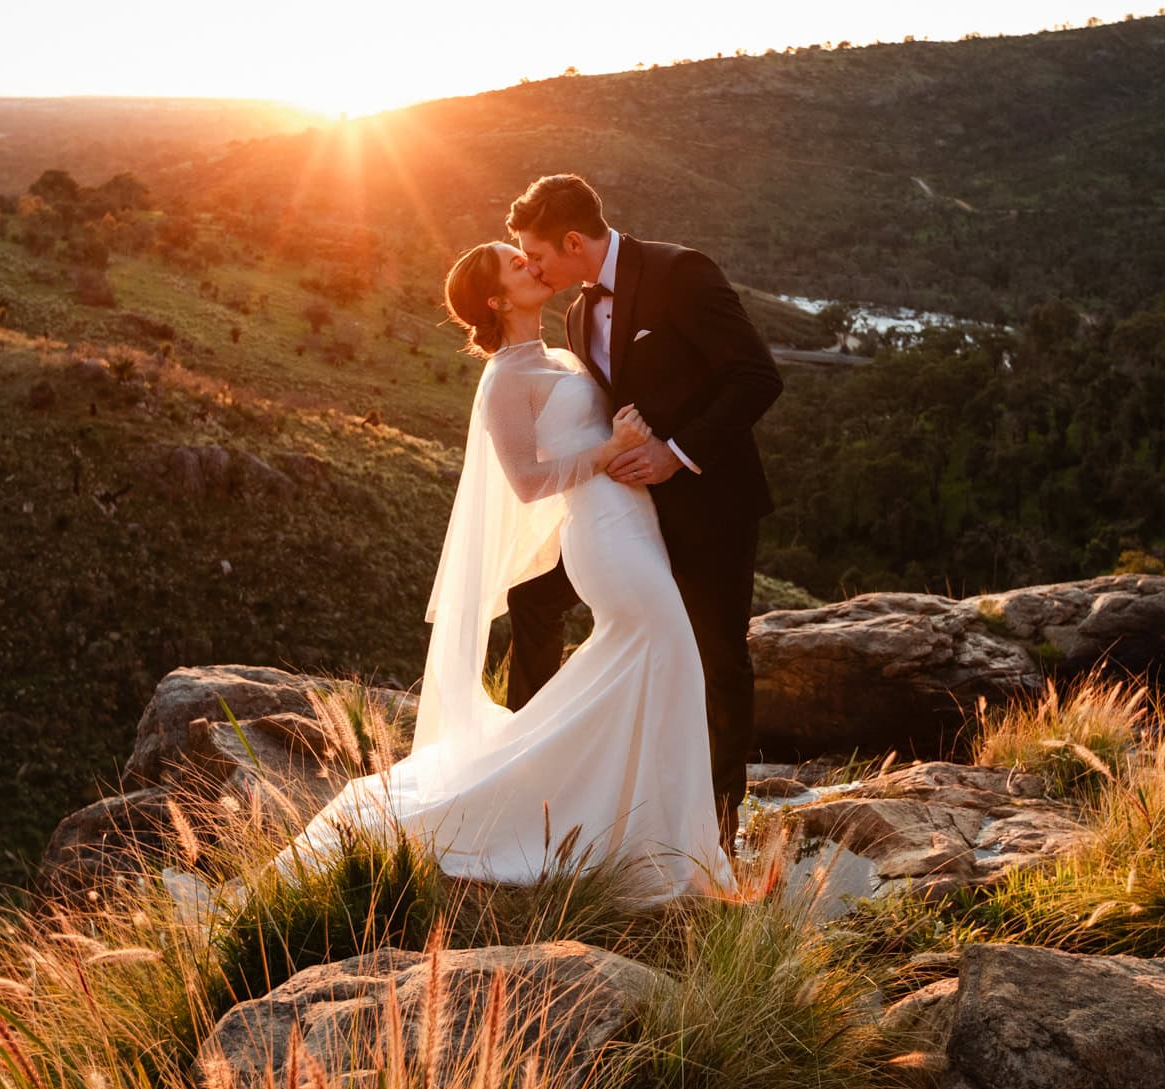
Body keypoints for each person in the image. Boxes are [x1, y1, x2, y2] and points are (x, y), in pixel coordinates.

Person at [262, 239, 735, 902]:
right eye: (517, 265)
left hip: (637, 525)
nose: (531, 265)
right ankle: (664, 853)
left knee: (655, 665)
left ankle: (639, 840)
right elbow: (528, 482)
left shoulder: (561, 354)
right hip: (601, 535)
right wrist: (611, 450)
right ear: (495, 299)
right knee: (670, 655)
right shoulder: (504, 380)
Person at [503, 175, 784, 848]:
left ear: (573, 241)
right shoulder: (574, 315)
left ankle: (718, 814)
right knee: (533, 601)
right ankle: (525, 766)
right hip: (623, 518)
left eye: (537, 255)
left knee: (718, 652)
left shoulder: (681, 272)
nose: (530, 267)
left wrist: (675, 453)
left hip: (707, 502)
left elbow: (756, 376)